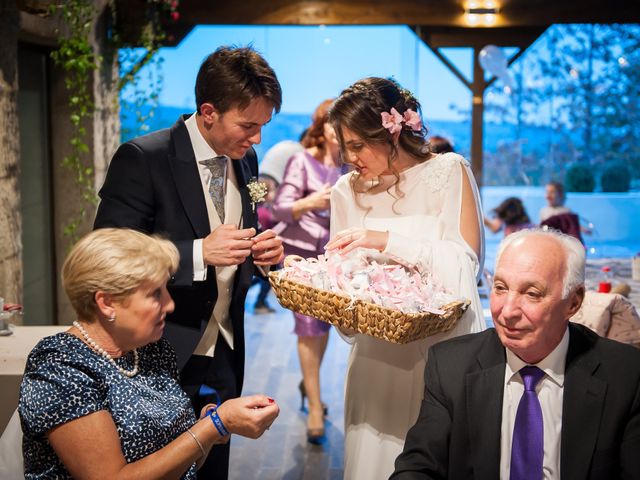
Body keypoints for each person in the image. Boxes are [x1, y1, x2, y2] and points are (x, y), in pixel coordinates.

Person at [93, 46, 284, 479]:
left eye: (262, 127)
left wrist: (265, 257)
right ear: (209, 111)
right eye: (248, 125)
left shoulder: (245, 159)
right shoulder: (144, 158)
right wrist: (198, 252)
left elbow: (241, 237)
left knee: (215, 468)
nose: (256, 140)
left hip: (226, 352)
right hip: (159, 351)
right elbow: (106, 254)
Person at [18, 228, 279, 480]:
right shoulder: (59, 367)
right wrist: (215, 425)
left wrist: (210, 424)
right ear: (107, 302)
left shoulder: (151, 349)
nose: (170, 304)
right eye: (156, 294)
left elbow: (177, 459)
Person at [324, 77, 486, 479]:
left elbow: (467, 265)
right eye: (344, 147)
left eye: (358, 145)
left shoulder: (449, 171)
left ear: (392, 131)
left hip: (444, 351)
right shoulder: (346, 191)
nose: (349, 158)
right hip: (377, 356)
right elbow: (339, 273)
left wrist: (386, 241)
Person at [392, 229, 640, 479]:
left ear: (573, 303)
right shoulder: (450, 366)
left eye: (532, 293)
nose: (506, 311)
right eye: (500, 288)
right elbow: (417, 468)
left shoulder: (626, 374)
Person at [271, 98, 343, 443]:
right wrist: (313, 201)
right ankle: (315, 405)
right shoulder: (303, 161)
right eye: (331, 122)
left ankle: (309, 381)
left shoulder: (352, 167)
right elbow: (280, 209)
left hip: (333, 256)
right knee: (306, 326)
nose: (337, 129)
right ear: (322, 125)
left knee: (323, 325)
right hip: (298, 254)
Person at [252, 173, 280, 314]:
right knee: (266, 278)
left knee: (264, 278)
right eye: (274, 189)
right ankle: (260, 301)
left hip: (267, 252)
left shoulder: (262, 210)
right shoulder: (264, 213)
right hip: (265, 253)